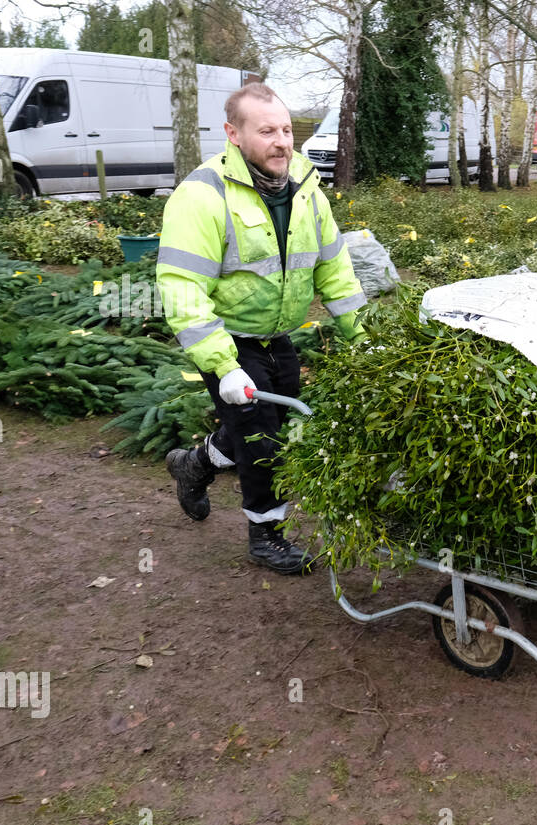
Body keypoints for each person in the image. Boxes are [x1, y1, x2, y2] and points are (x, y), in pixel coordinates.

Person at [159, 82, 367, 574]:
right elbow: (182, 288)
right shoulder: (202, 196)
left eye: (287, 130)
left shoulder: (306, 188)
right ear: (233, 134)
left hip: (278, 336)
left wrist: (362, 337)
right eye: (267, 131)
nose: (282, 141)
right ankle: (266, 536)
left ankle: (193, 465)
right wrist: (223, 367)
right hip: (229, 340)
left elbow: (334, 268)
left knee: (274, 426)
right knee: (263, 443)